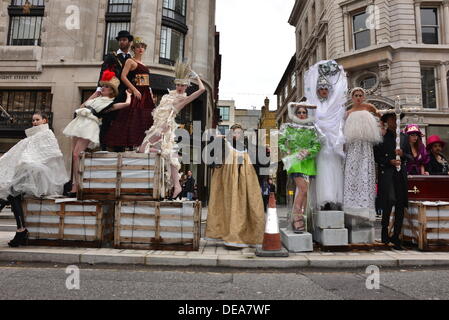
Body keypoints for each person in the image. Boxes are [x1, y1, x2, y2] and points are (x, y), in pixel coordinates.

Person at [0, 112, 69, 247]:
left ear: (44, 120)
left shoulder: (47, 134)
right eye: (33, 120)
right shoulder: (32, 136)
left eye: (37, 120)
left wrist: (25, 161)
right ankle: (21, 230)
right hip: (27, 173)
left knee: (10, 194)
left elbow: (50, 154)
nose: (34, 122)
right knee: (10, 195)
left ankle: (21, 230)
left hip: (38, 176)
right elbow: (19, 154)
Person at [139, 60, 205, 199]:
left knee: (144, 149)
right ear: (175, 84)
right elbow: (159, 110)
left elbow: (202, 90)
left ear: (187, 86)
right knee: (159, 152)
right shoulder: (168, 95)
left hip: (165, 127)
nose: (180, 87)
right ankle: (177, 184)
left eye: (183, 85)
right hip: (156, 126)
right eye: (178, 84)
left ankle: (175, 181)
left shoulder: (183, 99)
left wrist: (196, 77)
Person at [63, 71, 132, 196]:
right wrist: (95, 93)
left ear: (111, 90)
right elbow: (82, 106)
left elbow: (127, 104)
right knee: (74, 156)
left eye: (106, 86)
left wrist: (128, 94)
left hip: (89, 125)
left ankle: (77, 185)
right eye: (103, 86)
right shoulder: (96, 98)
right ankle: (75, 185)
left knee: (76, 154)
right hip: (79, 122)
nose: (103, 88)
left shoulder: (109, 103)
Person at [205, 124, 266, 249]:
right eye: (234, 132)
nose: (237, 135)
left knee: (250, 207)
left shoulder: (249, 147)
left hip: (248, 183)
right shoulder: (225, 146)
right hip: (229, 184)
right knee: (230, 208)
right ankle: (231, 237)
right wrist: (216, 139)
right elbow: (210, 155)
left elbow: (261, 162)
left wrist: (266, 153)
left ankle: (250, 237)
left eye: (239, 133)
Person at [304, 60, 348, 211]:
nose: (323, 91)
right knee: (322, 170)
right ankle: (324, 200)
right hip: (320, 144)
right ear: (317, 91)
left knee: (334, 169)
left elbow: (339, 123)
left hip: (333, 143)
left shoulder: (335, 107)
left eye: (326, 89)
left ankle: (334, 199)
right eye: (321, 89)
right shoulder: (314, 105)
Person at [105, 38, 156, 150]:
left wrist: (150, 92)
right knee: (132, 117)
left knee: (145, 119)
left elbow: (147, 81)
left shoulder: (144, 64)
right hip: (137, 91)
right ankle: (128, 145)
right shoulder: (130, 61)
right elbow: (123, 76)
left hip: (146, 93)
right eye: (138, 46)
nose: (140, 49)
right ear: (134, 49)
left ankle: (141, 145)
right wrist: (134, 90)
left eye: (142, 46)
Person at [343, 88, 382, 233]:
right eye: (356, 95)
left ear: (363, 97)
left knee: (365, 172)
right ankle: (351, 206)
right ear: (352, 97)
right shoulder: (348, 112)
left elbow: (380, 118)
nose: (358, 98)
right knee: (352, 173)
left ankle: (365, 208)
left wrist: (381, 128)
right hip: (352, 147)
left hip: (365, 146)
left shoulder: (369, 107)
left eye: (360, 95)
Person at [279, 102, 321, 233]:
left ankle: (300, 217)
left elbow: (318, 145)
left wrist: (308, 152)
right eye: (299, 112)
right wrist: (288, 151)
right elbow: (280, 142)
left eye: (304, 112)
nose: (302, 115)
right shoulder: (289, 127)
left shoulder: (312, 128)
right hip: (295, 161)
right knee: (303, 189)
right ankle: (297, 217)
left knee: (306, 191)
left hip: (308, 162)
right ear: (295, 114)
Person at [374, 112, 412, 250]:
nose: (394, 122)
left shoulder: (403, 137)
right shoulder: (382, 137)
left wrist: (403, 155)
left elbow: (410, 156)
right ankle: (385, 234)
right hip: (388, 173)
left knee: (400, 204)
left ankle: (396, 236)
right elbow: (376, 156)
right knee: (389, 201)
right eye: (391, 119)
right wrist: (388, 161)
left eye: (396, 119)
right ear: (386, 121)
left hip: (400, 174)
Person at [95, 30, 134, 150]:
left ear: (129, 42)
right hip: (113, 92)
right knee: (107, 118)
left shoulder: (131, 58)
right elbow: (103, 71)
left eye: (124, 40)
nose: (122, 42)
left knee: (122, 120)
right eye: (120, 40)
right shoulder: (112, 56)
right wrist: (99, 89)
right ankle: (103, 147)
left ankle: (120, 147)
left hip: (126, 93)